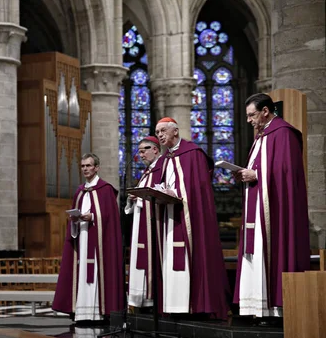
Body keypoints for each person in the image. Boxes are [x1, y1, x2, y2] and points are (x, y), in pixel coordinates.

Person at [233, 93, 310, 317]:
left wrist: (255, 174)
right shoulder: (261, 136)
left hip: (275, 212)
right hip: (256, 209)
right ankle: (257, 308)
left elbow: (287, 173)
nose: (249, 120)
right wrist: (245, 175)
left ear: (265, 111)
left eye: (252, 115)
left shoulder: (284, 133)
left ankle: (274, 309)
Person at [154, 117, 229, 319]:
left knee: (191, 258)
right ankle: (174, 306)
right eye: (157, 132)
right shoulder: (164, 159)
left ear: (175, 131)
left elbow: (199, 189)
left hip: (189, 217)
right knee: (170, 260)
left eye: (162, 131)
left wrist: (177, 194)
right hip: (169, 219)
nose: (159, 135)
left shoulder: (193, 154)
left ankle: (195, 306)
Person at [52, 153, 123, 322]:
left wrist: (93, 217)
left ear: (96, 167)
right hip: (81, 241)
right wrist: (75, 220)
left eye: (88, 165)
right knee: (81, 272)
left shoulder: (105, 190)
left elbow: (110, 218)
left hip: (99, 243)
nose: (85, 169)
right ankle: (82, 313)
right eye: (83, 166)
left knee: (97, 272)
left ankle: (99, 313)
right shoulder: (80, 191)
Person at [125, 136, 162, 309]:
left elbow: (164, 195)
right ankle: (141, 301)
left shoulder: (162, 169)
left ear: (155, 149)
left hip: (155, 224)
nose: (140, 155)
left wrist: (140, 197)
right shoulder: (147, 173)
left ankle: (151, 300)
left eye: (144, 150)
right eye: (139, 151)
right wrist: (133, 199)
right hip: (141, 222)